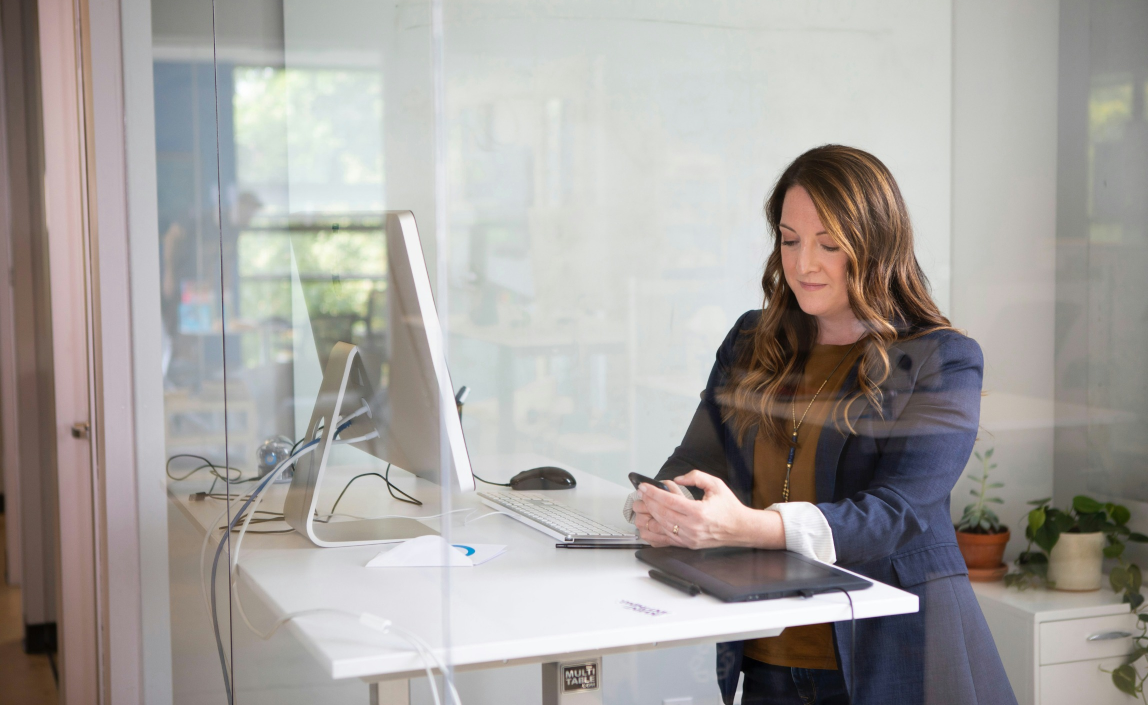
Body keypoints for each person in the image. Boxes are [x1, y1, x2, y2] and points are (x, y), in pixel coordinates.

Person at [629, 145, 1015, 705]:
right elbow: (697, 462)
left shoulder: (942, 360)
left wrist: (745, 527)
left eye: (829, 245)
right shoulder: (751, 340)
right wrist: (669, 506)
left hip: (897, 657)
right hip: (768, 658)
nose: (803, 263)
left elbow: (896, 514)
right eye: (790, 240)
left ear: (876, 245)